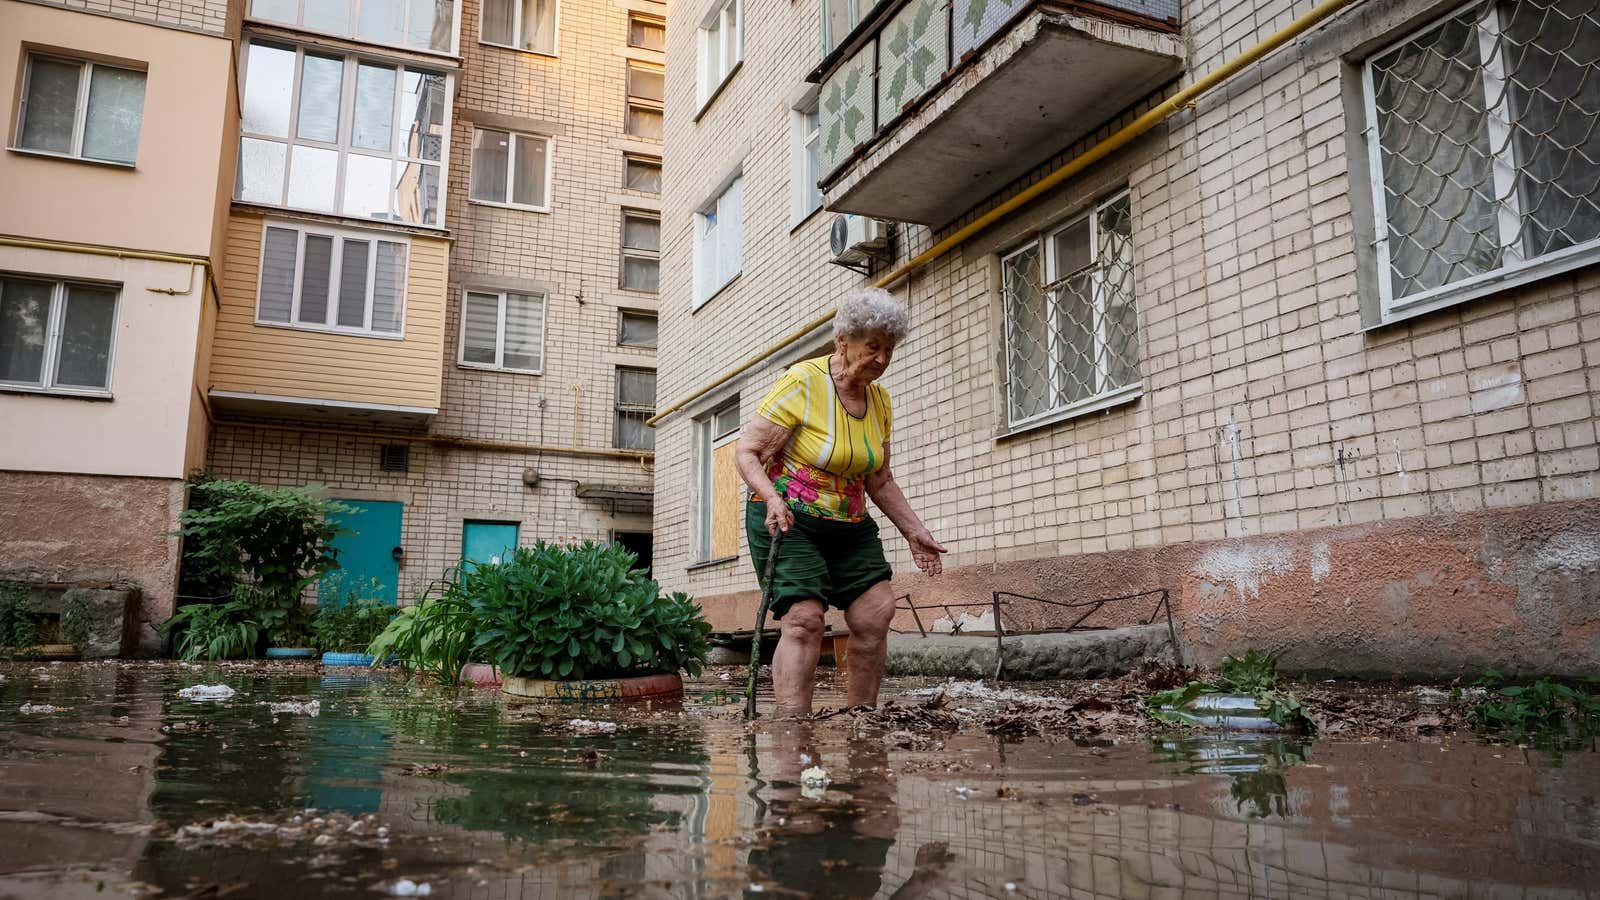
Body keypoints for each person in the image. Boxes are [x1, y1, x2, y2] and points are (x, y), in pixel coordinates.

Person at [736, 287, 946, 717]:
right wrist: (772, 499)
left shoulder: (880, 401)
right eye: (873, 347)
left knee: (876, 612)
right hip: (789, 518)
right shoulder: (803, 382)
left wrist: (914, 531)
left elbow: (879, 477)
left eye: (888, 350)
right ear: (843, 339)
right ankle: (793, 728)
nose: (882, 360)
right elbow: (747, 452)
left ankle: (861, 719)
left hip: (849, 523)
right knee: (805, 620)